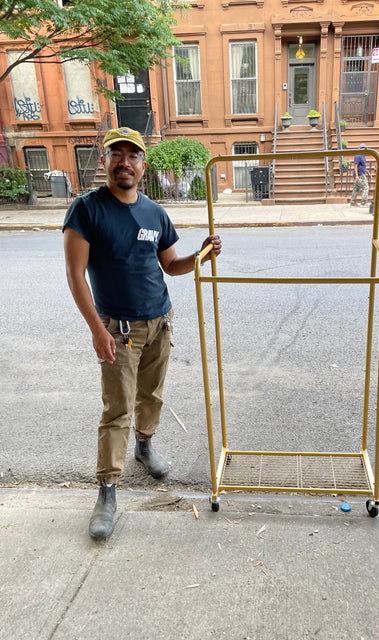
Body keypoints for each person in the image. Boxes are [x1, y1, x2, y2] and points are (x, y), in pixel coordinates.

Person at [63, 127, 221, 540]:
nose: (125, 162)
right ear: (105, 161)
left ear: (143, 165)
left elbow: (170, 265)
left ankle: (145, 445)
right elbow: (75, 276)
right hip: (118, 328)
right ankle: (108, 489)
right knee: (117, 409)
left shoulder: (155, 213)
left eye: (134, 155)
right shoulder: (87, 210)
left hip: (160, 322)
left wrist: (201, 254)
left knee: (151, 395)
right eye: (117, 154)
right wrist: (97, 330)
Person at [350, 143, 370, 207]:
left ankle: (352, 203)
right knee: (365, 187)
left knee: (356, 189)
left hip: (361, 173)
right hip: (360, 175)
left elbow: (362, 166)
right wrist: (356, 176)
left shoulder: (362, 156)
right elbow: (355, 166)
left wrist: (368, 173)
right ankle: (364, 202)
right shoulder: (358, 156)